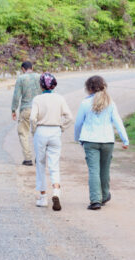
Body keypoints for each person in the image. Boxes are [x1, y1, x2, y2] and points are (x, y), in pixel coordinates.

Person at [74, 76, 129, 210]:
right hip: (107, 141)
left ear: (89, 88)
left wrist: (78, 138)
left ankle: (95, 200)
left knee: (93, 170)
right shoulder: (110, 103)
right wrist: (125, 139)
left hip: (90, 140)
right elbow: (118, 122)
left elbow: (78, 123)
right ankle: (104, 195)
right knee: (104, 170)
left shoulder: (85, 103)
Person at [30, 72, 73, 211]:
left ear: (41, 85)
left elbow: (32, 118)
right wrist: (62, 128)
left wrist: (34, 131)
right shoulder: (60, 98)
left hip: (41, 131)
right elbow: (69, 117)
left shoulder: (37, 99)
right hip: (55, 131)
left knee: (40, 164)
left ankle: (43, 197)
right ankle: (56, 191)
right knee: (54, 163)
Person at [11, 61, 42, 166]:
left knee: (23, 133)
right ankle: (39, 157)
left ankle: (28, 159)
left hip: (26, 109)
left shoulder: (21, 78)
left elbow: (16, 96)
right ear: (32, 68)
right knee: (37, 134)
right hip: (38, 109)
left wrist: (13, 109)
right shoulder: (40, 77)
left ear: (23, 69)